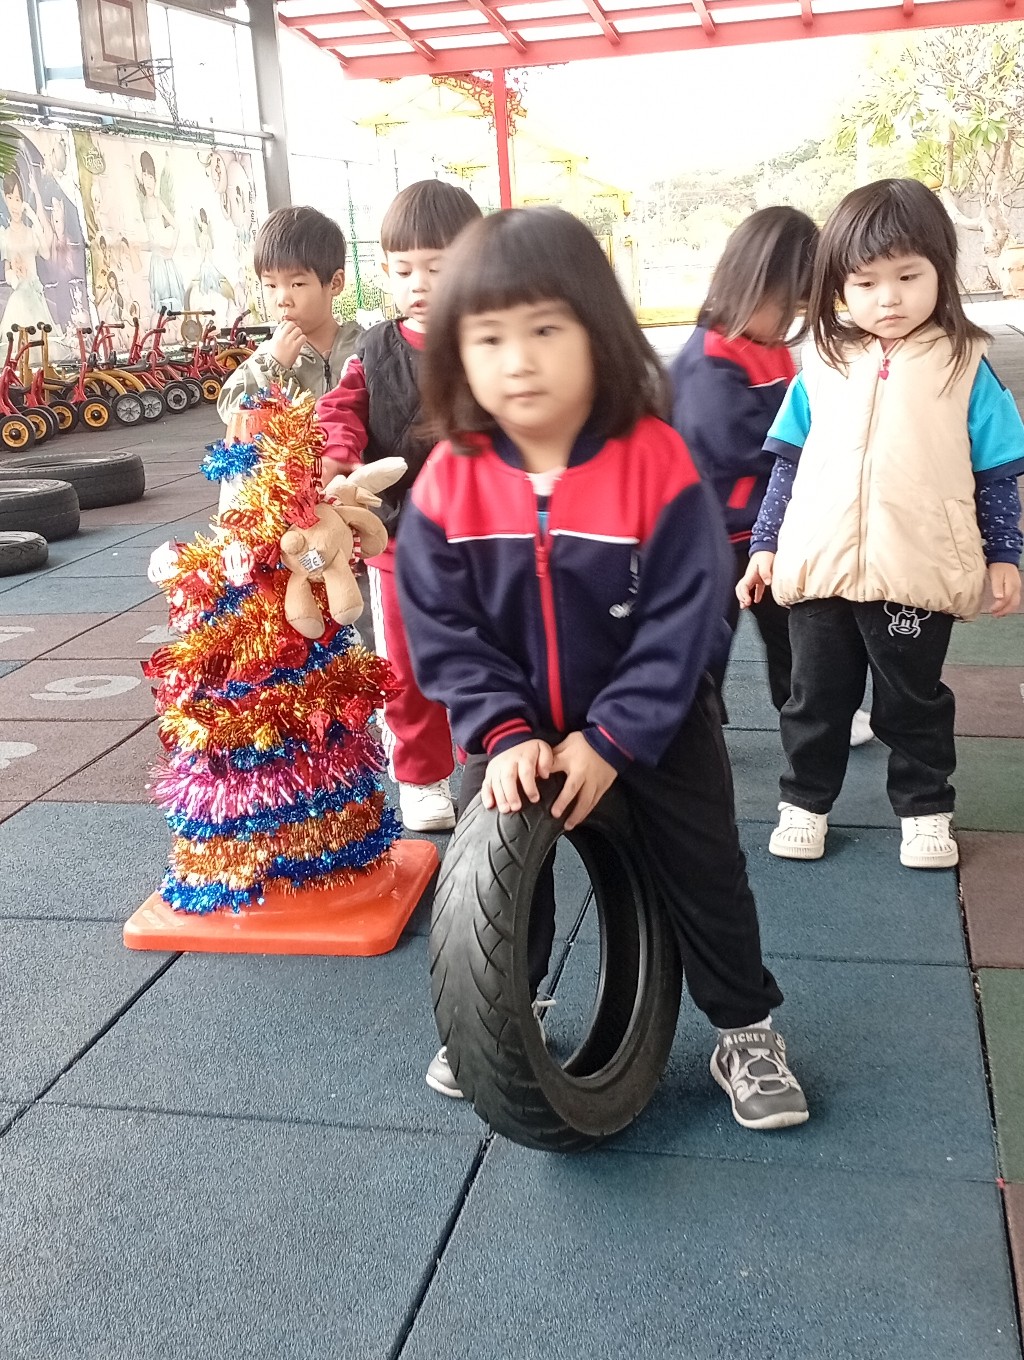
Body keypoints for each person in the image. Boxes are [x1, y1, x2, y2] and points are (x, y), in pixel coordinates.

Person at [396, 206, 809, 1131]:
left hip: (653, 720)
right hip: (512, 721)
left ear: (598, 332)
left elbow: (687, 613)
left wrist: (617, 736)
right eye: (489, 338)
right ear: (456, 352)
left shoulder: (652, 460)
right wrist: (500, 728)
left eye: (546, 329)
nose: (518, 360)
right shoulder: (452, 479)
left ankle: (743, 1026)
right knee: (501, 864)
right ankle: (507, 1011)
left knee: (704, 869)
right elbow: (440, 623)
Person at [737, 178, 1024, 869]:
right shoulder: (821, 363)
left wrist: (1004, 553)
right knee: (814, 699)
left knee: (912, 701)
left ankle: (925, 810)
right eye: (865, 283)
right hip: (820, 566)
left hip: (916, 570)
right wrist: (766, 543)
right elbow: (787, 464)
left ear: (939, 272)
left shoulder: (965, 365)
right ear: (838, 286)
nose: (887, 298)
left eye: (907, 276)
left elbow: (996, 474)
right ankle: (805, 802)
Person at [316, 180, 482, 834]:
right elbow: (341, 411)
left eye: (438, 268)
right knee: (406, 666)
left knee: (484, 653)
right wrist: (337, 456)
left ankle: (483, 757)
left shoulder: (489, 341)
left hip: (482, 536)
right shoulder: (375, 351)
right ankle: (420, 775)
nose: (420, 284)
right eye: (403, 270)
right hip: (399, 540)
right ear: (383, 271)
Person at [217, 206, 361, 422]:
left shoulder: (365, 349)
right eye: (271, 285)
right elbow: (232, 410)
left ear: (335, 283)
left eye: (297, 284)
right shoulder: (269, 357)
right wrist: (274, 367)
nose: (282, 298)